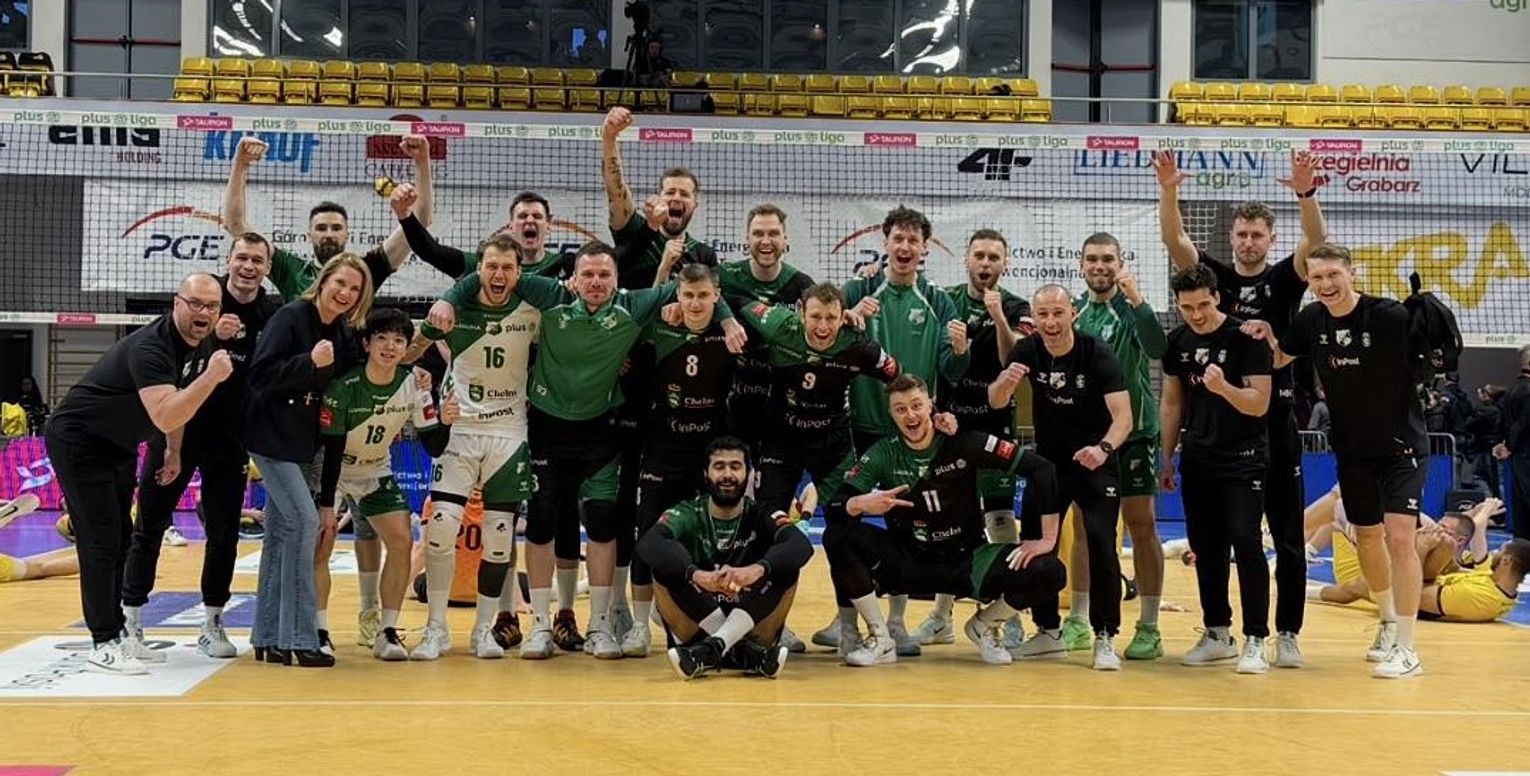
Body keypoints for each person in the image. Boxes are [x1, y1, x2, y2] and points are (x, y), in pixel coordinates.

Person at [436, 241, 745, 660]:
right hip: (546, 428)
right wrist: (448, 298)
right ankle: (540, 626)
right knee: (541, 525)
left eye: (604, 275)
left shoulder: (633, 306)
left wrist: (726, 320)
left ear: (616, 280)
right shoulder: (551, 295)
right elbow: (494, 273)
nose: (596, 282)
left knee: (602, 525)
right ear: (574, 278)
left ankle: (600, 624)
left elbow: (694, 288)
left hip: (600, 432)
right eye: (588, 275)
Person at [1157, 149, 1324, 666]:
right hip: (1221, 431)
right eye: (1242, 234)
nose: (1249, 242)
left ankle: (1285, 633)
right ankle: (1219, 632)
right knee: (1221, 538)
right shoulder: (1214, 282)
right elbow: (1175, 242)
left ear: (1271, 240)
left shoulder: (1285, 278)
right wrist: (1169, 191)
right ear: (1231, 237)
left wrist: (1306, 193)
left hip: (1276, 419)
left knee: (1287, 538)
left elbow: (1316, 243)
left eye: (1257, 235)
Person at [1246, 243, 1429, 679]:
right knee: (1367, 536)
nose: (1326, 284)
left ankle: (1408, 649)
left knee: (1400, 538)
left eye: (1333, 275)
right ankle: (1387, 622)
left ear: (1352, 273)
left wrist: (1430, 326)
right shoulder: (1312, 319)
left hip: (1402, 446)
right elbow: (1280, 356)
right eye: (1317, 278)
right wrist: (1261, 334)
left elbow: (1429, 358)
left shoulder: (1387, 315)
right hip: (1353, 450)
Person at [43, 273, 233, 674]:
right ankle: (103, 641)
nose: (203, 312)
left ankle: (120, 634)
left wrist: (175, 450)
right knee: (100, 540)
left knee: (123, 538)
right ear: (176, 303)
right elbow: (166, 412)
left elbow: (178, 399)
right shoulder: (152, 347)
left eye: (212, 306)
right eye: (195, 303)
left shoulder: (201, 344)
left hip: (119, 444)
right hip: (80, 440)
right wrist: (212, 377)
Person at [825, 375, 1067, 667]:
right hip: (907, 562)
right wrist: (858, 504)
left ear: (931, 406)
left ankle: (985, 624)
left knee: (1050, 570)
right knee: (837, 535)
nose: (910, 415)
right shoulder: (883, 453)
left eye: (916, 405)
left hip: (968, 562)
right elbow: (836, 505)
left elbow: (1042, 469)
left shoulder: (964, 442)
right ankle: (881, 638)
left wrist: (1047, 539)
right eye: (901, 409)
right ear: (891, 414)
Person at [121, 232, 283, 661]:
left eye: (258, 260)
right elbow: (174, 349)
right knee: (150, 523)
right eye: (242, 257)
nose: (248, 266)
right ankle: (130, 618)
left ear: (267, 268)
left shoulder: (273, 313)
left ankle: (212, 621)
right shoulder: (206, 299)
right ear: (228, 260)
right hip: (177, 430)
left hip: (230, 438)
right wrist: (215, 336)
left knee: (224, 532)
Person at [736, 284, 899, 654]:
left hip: (833, 445)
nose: (823, 326)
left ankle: (847, 628)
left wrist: (923, 416)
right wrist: (727, 321)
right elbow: (739, 299)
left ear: (843, 318)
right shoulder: (779, 324)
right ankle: (772, 624)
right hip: (781, 440)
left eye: (831, 318)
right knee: (769, 528)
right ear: (800, 312)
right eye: (815, 317)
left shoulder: (859, 346)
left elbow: (897, 375)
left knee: (843, 531)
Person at [838, 205, 971, 657]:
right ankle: (847, 623)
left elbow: (951, 370)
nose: (905, 247)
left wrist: (960, 350)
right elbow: (828, 342)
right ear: (886, 241)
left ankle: (895, 623)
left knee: (905, 524)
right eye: (899, 238)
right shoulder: (859, 289)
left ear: (924, 248)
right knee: (846, 521)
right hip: (863, 424)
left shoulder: (938, 300)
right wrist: (849, 315)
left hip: (914, 433)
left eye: (914, 240)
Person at [405, 235, 544, 661]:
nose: (499, 274)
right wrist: (418, 376)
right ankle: (436, 630)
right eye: (491, 266)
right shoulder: (455, 311)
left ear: (519, 272)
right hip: (460, 430)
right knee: (441, 528)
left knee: (499, 539)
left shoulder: (533, 312)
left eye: (507, 267)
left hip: (509, 433)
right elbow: (410, 351)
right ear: (478, 270)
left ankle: (484, 631)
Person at [991, 285, 1133, 671]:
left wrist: (1102, 449)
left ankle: (1105, 636)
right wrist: (1004, 384)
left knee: (1102, 543)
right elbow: (996, 401)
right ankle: (1048, 632)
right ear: (1034, 319)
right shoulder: (1027, 350)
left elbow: (1124, 418)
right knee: (1035, 545)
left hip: (1095, 460)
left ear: (1073, 313)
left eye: (1058, 313)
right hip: (1049, 467)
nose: (1051, 322)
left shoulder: (1097, 353)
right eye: (1043, 315)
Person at [245, 254, 373, 668]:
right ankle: (300, 637)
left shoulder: (341, 331)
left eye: (354, 289)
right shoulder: (291, 317)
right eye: (340, 283)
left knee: (281, 534)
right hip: (268, 436)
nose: (345, 293)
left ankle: (267, 636)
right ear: (323, 280)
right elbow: (258, 377)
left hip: (300, 442)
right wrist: (307, 363)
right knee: (302, 524)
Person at [915, 229, 1032, 648]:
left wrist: (998, 318)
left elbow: (1013, 358)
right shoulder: (945, 301)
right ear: (966, 260)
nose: (985, 263)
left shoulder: (1016, 307)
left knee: (1000, 520)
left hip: (995, 425)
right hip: (951, 427)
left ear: (1005, 263)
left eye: (993, 257)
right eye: (979, 256)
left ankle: (1007, 616)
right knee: (948, 522)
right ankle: (941, 617)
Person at [1160, 263, 1275, 673]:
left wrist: (1223, 387)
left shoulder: (1247, 338)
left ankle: (1256, 638)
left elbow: (1259, 403)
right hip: (1198, 458)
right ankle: (1217, 632)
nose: (1196, 314)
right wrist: (1166, 456)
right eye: (1187, 307)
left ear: (1217, 298)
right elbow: (1172, 402)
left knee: (1245, 541)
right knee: (1205, 548)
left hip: (1243, 458)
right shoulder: (1177, 342)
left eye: (1203, 305)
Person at [317, 309, 449, 661]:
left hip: (375, 470)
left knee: (402, 540)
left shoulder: (413, 384)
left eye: (398, 340)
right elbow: (331, 450)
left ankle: (386, 631)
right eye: (382, 339)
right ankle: (318, 630)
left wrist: (446, 419)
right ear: (366, 344)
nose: (390, 347)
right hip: (334, 470)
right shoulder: (344, 386)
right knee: (322, 541)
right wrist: (327, 504)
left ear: (406, 348)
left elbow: (434, 445)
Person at [625, 264, 738, 657]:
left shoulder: (731, 332)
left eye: (703, 295)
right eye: (688, 295)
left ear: (717, 296)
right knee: (647, 533)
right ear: (677, 295)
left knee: (708, 535)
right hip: (663, 447)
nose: (695, 303)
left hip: (708, 452)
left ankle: (719, 618)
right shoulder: (659, 326)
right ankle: (640, 626)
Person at [637, 437, 813, 680]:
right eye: (719, 467)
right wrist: (697, 575)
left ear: (748, 474)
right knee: (664, 563)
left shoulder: (762, 512)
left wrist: (757, 569)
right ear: (706, 474)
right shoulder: (688, 512)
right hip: (698, 621)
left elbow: (801, 546)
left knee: (785, 564)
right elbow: (648, 543)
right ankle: (744, 653)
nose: (727, 474)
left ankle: (710, 650)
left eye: (735, 466)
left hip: (749, 618)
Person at [1069, 232, 1169, 661]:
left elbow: (1159, 348)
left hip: (1135, 433)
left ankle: (1149, 626)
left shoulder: (1131, 309)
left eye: (1107, 259)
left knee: (1141, 523)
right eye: (1092, 259)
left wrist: (1139, 300)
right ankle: (1078, 619)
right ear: (1081, 265)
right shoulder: (1073, 312)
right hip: (1088, 439)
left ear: (1120, 263)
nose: (1100, 266)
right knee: (1084, 526)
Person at [221, 135, 434, 296]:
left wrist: (422, 160)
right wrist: (241, 163)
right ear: (309, 235)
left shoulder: (366, 269)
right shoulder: (291, 270)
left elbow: (420, 222)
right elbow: (234, 224)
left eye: (336, 228)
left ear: (347, 234)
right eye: (321, 228)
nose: (329, 234)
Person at [719, 204, 817, 459]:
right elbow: (691, 294)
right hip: (731, 404)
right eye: (758, 233)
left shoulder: (802, 285)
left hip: (782, 408)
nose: (765, 241)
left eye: (773, 233)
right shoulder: (725, 277)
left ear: (785, 239)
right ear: (747, 239)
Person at [600, 106, 716, 289]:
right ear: (659, 197)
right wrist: (609, 137)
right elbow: (616, 190)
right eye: (670, 192)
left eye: (684, 194)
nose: (676, 198)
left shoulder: (703, 254)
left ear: (695, 205)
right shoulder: (635, 230)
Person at [1420, 539, 1530, 623]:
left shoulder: (1479, 596)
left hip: (1416, 597)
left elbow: (1416, 598)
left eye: (1499, 550)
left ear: (1506, 560)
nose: (1493, 552)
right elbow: (1455, 569)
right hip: (1425, 582)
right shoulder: (1495, 579)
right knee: (1445, 542)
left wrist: (1422, 548)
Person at [1493, 345, 1530, 539]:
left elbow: (1504, 421)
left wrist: (1504, 443)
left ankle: (1521, 545)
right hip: (1525, 451)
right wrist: (1509, 444)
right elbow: (1524, 420)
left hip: (1517, 455)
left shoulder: (1512, 390)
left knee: (1519, 502)